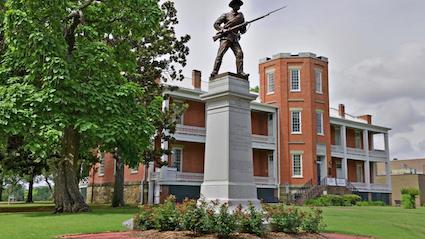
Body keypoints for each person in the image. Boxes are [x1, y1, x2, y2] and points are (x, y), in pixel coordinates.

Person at [211, 0, 248, 78]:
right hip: (226, 37)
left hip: (234, 38)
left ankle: (240, 72)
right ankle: (214, 72)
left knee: (239, 54)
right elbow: (216, 24)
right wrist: (222, 30)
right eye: (237, 4)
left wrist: (244, 25)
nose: (239, 6)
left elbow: (242, 31)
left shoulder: (241, 16)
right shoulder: (226, 15)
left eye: (239, 5)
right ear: (233, 6)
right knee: (220, 55)